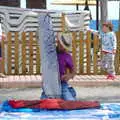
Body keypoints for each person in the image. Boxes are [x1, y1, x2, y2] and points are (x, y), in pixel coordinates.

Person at [41, 32, 76, 100]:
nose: (63, 47)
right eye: (61, 45)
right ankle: (69, 92)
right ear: (58, 42)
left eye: (64, 46)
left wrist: (68, 76)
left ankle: (70, 92)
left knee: (69, 100)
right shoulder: (51, 53)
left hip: (61, 83)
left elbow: (74, 71)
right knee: (44, 101)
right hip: (50, 83)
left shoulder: (67, 56)